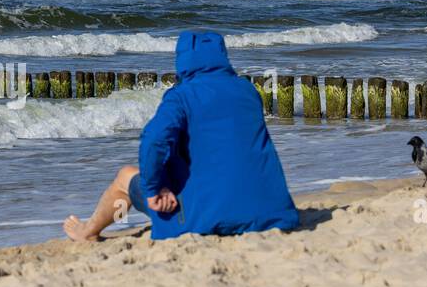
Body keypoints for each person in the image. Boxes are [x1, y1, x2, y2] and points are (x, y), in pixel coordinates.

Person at [64, 31, 299, 242]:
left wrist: (155, 188)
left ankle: (90, 231)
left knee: (126, 177)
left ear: (183, 58)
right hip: (271, 211)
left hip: (206, 218)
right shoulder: (247, 91)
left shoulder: (182, 96)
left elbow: (154, 140)